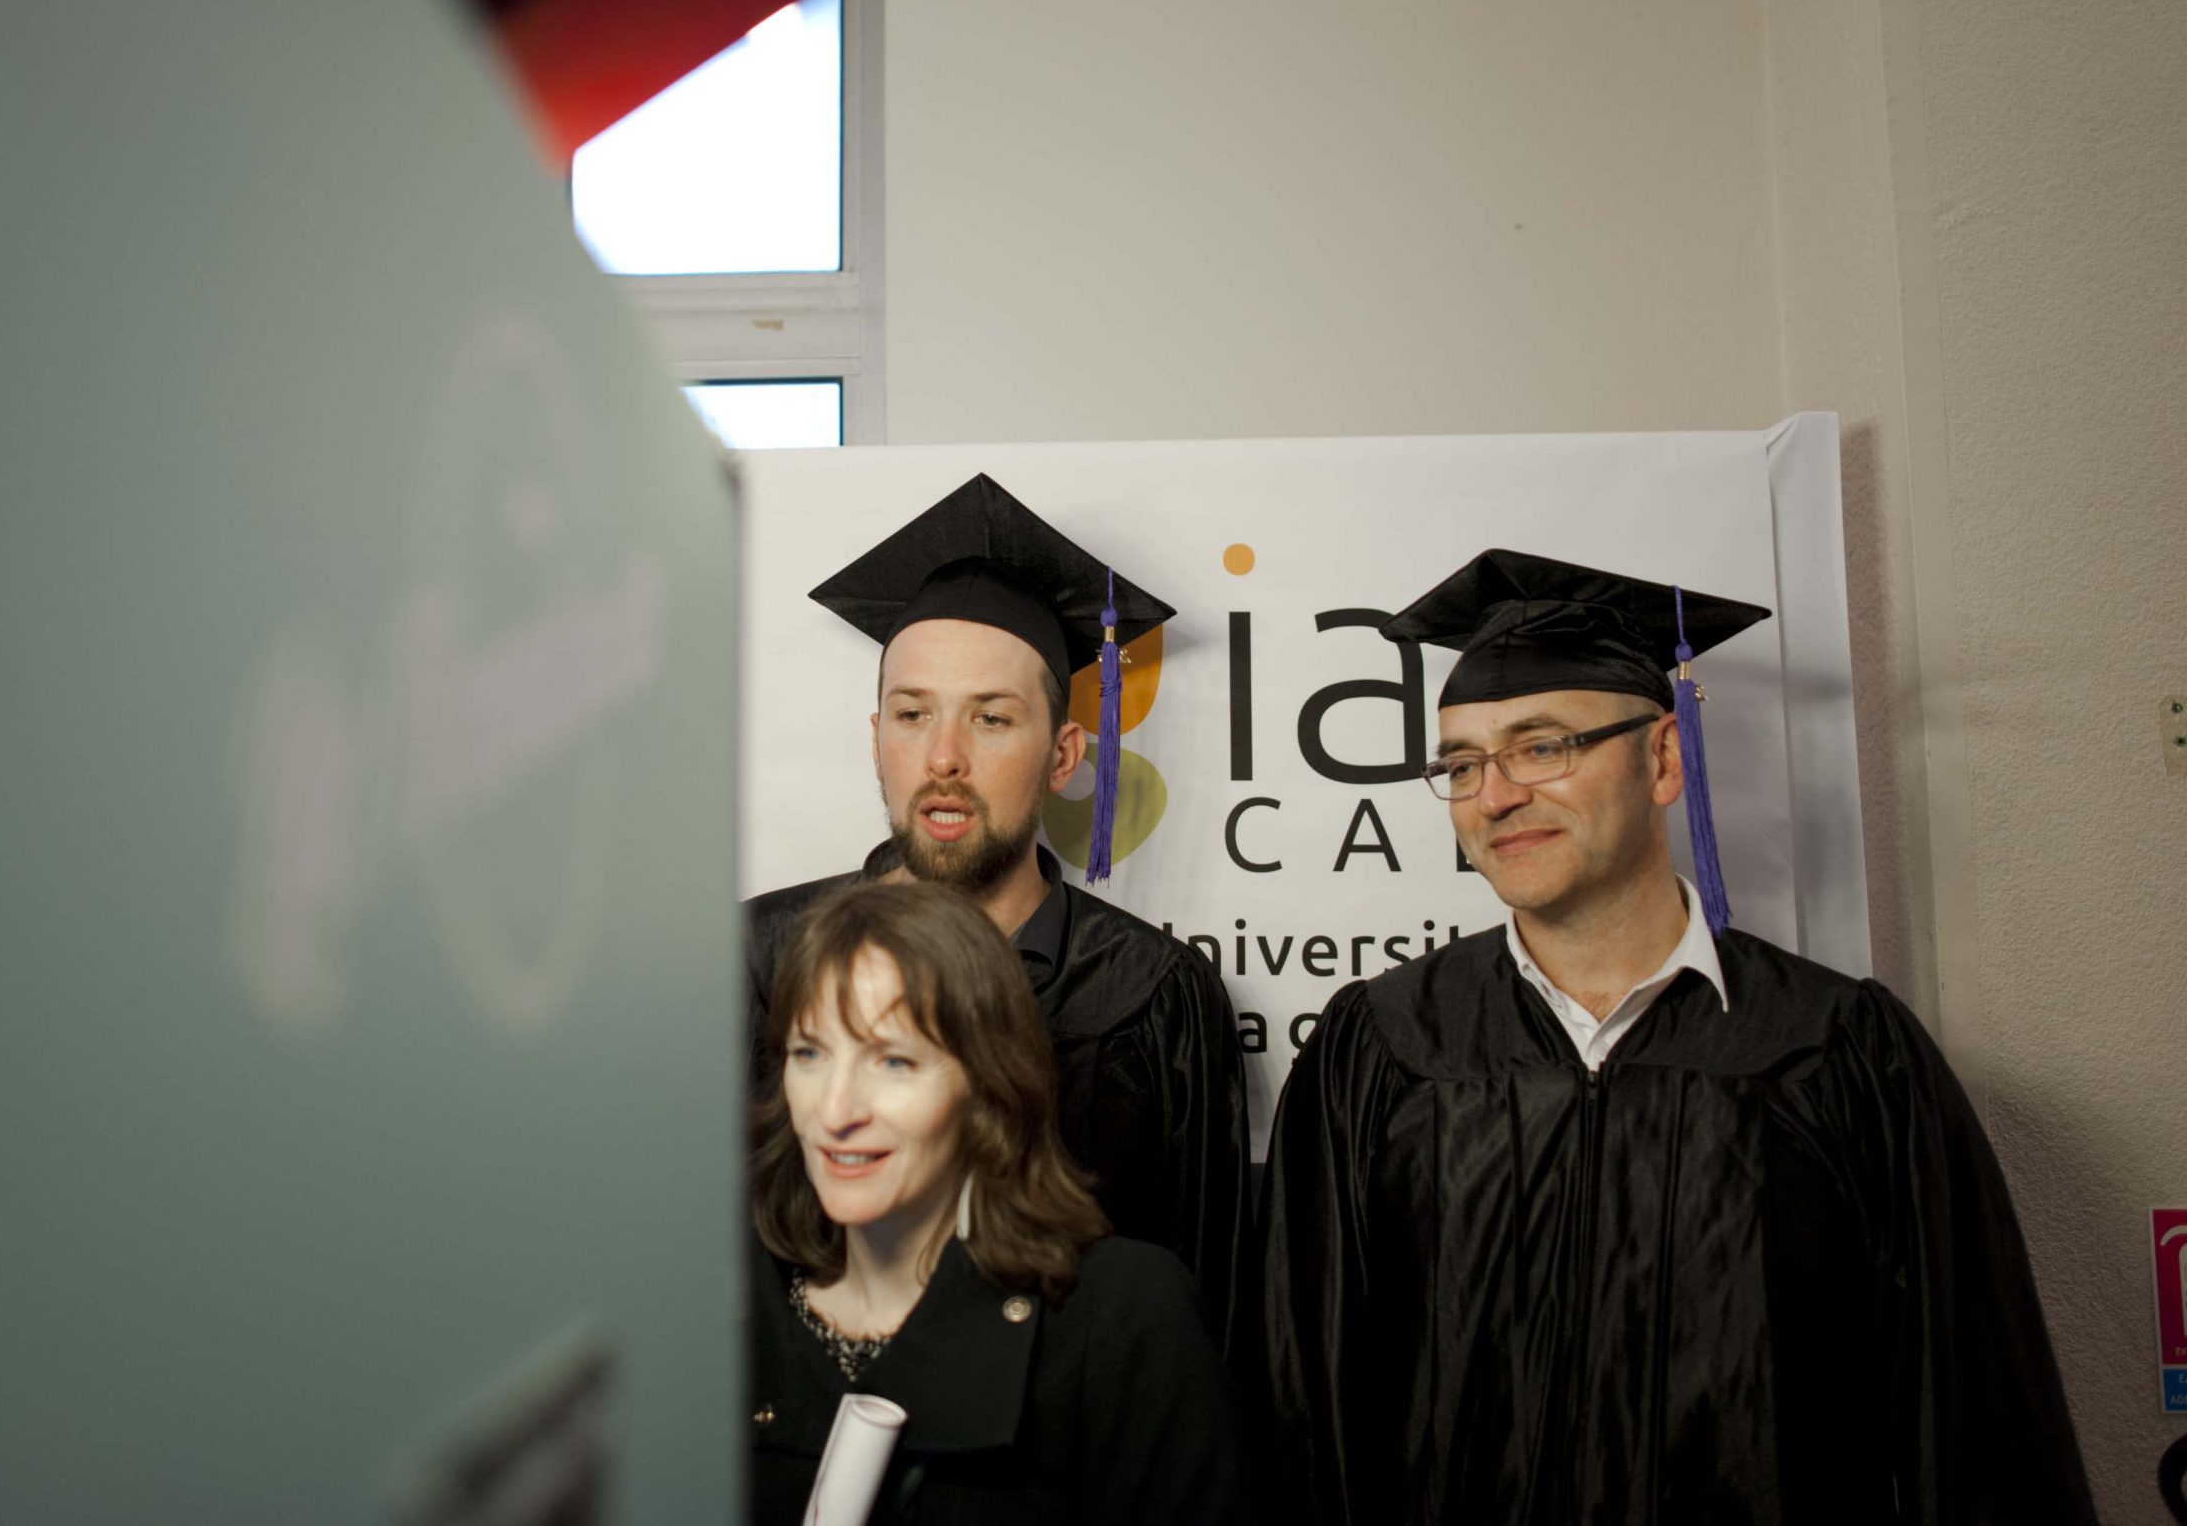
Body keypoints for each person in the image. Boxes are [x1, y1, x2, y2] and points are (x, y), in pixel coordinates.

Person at [1251, 548, 2095, 1523]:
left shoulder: (1837, 1049)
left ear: (1660, 757)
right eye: (1462, 764)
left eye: (1540, 747)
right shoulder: (1385, 1050)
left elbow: (1966, 1415)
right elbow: (1299, 1410)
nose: (1494, 796)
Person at [745, 473, 1248, 1339]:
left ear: (1062, 755)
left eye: (990, 718)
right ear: (876, 742)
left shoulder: (1152, 992)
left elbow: (1207, 1306)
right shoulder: (762, 957)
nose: (943, 756)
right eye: (912, 714)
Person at [747, 880, 1240, 1523]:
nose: (835, 1111)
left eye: (893, 1062)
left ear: (986, 1086)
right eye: (810, 1054)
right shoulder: (708, 1304)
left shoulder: (1124, 1322)